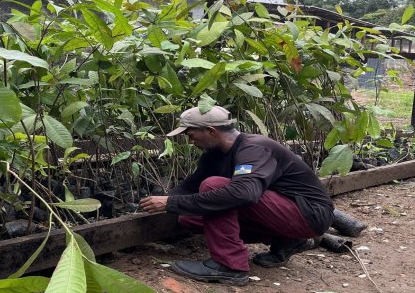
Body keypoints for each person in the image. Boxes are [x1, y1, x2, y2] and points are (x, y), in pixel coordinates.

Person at [140, 105, 334, 286]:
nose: (191, 141)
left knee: (213, 186)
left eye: (192, 135)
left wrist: (171, 203)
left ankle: (229, 266)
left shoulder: (253, 148)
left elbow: (244, 194)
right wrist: (157, 202)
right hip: (282, 213)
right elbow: (190, 185)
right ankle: (286, 240)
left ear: (210, 131)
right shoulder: (214, 154)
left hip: (309, 214)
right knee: (189, 218)